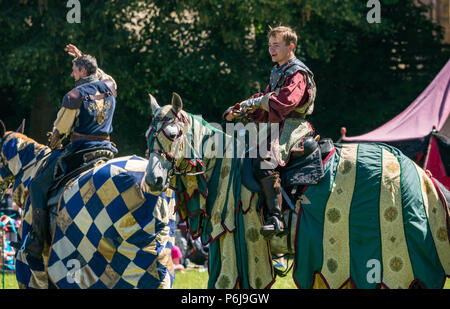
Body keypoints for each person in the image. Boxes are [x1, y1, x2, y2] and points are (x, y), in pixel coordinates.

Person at [223, 26, 317, 239]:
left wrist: (254, 103)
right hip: (278, 126)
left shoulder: (297, 73)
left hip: (294, 126)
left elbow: (284, 102)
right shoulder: (279, 71)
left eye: (276, 45)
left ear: (290, 47)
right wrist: (240, 109)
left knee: (265, 159)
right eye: (269, 45)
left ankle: (276, 217)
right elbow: (266, 98)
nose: (271, 49)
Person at [24, 44, 118, 257]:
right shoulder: (110, 87)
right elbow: (104, 76)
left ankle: (38, 242)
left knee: (38, 185)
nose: (72, 73)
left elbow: (61, 129)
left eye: (75, 69)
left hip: (80, 152)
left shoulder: (74, 95)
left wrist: (54, 142)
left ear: (83, 72)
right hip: (107, 149)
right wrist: (82, 57)